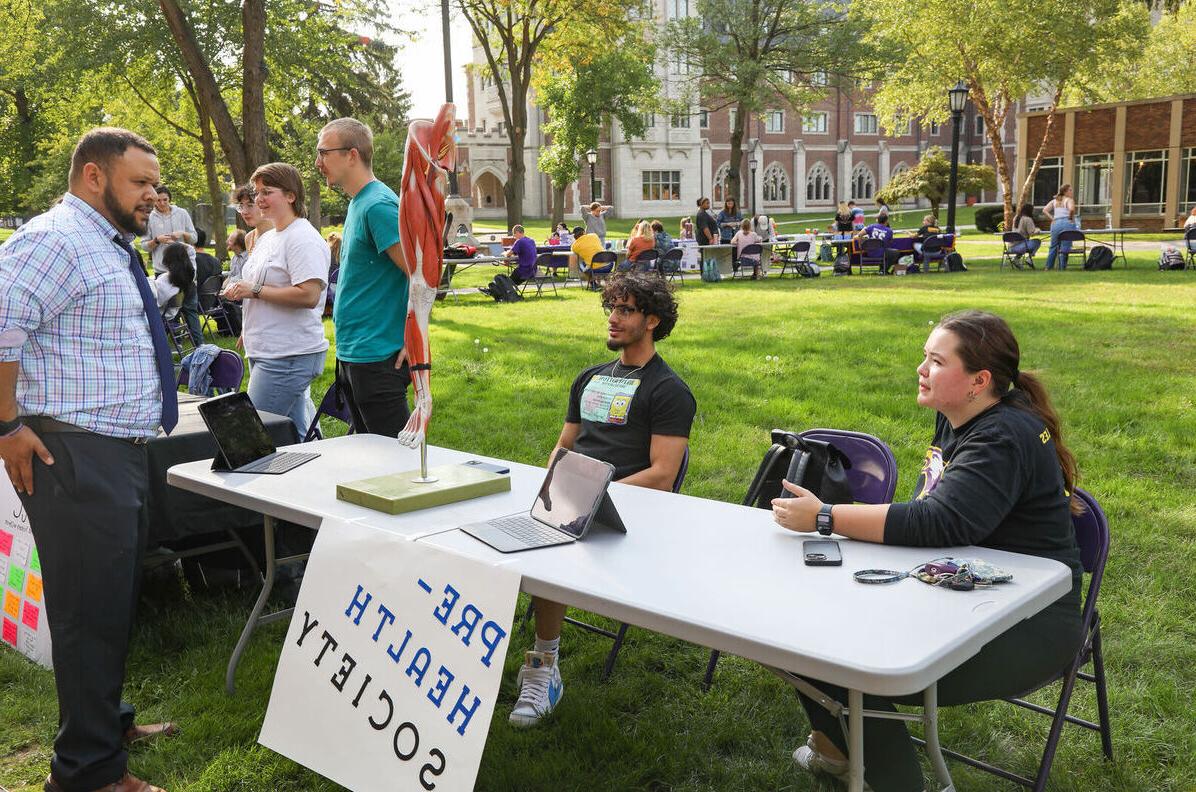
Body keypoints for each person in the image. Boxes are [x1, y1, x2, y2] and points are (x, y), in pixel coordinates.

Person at [772, 310, 1083, 792]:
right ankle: (841, 750)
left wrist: (826, 516)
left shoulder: (1003, 436)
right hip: (962, 594)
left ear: (979, 381)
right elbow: (935, 509)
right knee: (799, 626)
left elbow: (939, 521)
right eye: (925, 357)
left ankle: (889, 779)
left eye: (936, 361)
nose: (921, 369)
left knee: (847, 659)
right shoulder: (961, 415)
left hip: (1027, 625)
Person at [0, 126, 177, 792]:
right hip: (73, 452)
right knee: (87, 613)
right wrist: (6, 426)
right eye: (140, 184)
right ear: (93, 176)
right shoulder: (56, 240)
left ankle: (107, 725)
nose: (151, 197)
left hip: (117, 451)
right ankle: (88, 774)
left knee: (110, 603)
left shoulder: (107, 246)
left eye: (155, 184)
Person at [510, 272, 696, 728]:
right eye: (611, 308)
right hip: (572, 499)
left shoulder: (668, 391)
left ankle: (544, 666)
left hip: (628, 513)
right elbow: (564, 446)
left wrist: (594, 495)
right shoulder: (590, 378)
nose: (613, 319)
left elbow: (663, 476)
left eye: (625, 310)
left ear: (652, 320)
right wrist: (555, 482)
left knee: (543, 553)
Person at [314, 117, 413, 438]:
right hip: (353, 355)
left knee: (396, 467)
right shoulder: (359, 203)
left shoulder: (379, 206)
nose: (318, 163)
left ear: (351, 155)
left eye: (323, 153)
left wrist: (414, 339)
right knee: (367, 460)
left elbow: (424, 276)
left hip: (379, 358)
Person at [222, 162, 329, 436]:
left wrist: (253, 290)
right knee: (293, 435)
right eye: (257, 192)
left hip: (288, 355)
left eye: (266, 192)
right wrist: (239, 287)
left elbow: (309, 294)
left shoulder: (302, 238)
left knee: (250, 437)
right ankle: (310, 476)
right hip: (265, 350)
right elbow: (259, 283)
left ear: (291, 195)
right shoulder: (270, 236)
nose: (258, 199)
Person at [142, 185, 202, 346]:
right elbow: (143, 246)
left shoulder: (181, 213)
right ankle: (176, 343)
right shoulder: (149, 217)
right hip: (162, 272)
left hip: (185, 270)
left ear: (170, 199)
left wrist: (182, 235)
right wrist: (156, 240)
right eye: (158, 201)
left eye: (165, 200)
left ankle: (199, 344)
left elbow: (194, 238)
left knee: (190, 310)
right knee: (169, 310)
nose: (162, 203)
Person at [154, 242, 196, 320]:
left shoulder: (164, 282)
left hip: (160, 317)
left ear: (167, 259)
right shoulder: (190, 275)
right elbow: (192, 252)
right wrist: (178, 245)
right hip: (171, 314)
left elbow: (155, 302)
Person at [1043, 184, 1078, 271]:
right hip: (1066, 222)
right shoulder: (1069, 200)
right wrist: (1070, 219)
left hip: (1055, 223)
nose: (1071, 192)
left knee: (1053, 246)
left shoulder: (1055, 201)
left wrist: (1052, 218)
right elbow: (1072, 209)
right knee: (1065, 245)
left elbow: (1045, 210)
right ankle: (1062, 267)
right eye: (1070, 190)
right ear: (1065, 192)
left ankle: (1048, 267)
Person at [232, 183, 273, 253]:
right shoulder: (249, 238)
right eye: (241, 206)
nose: (244, 212)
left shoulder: (281, 234)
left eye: (250, 205)